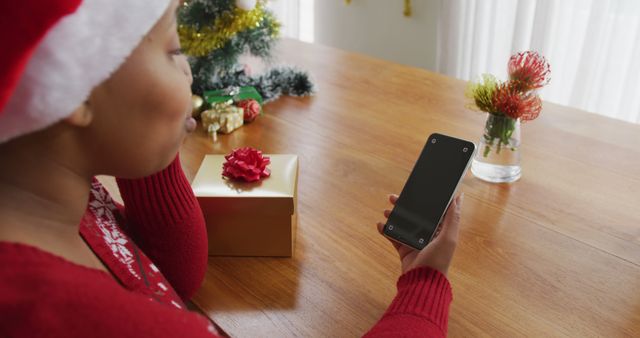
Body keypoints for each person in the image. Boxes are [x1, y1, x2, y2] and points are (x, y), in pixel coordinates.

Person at [0, 1, 463, 337]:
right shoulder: (85, 319)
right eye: (171, 49)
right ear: (72, 86)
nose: (189, 74)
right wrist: (425, 283)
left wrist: (141, 146)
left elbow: (169, 276)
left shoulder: (65, 204)